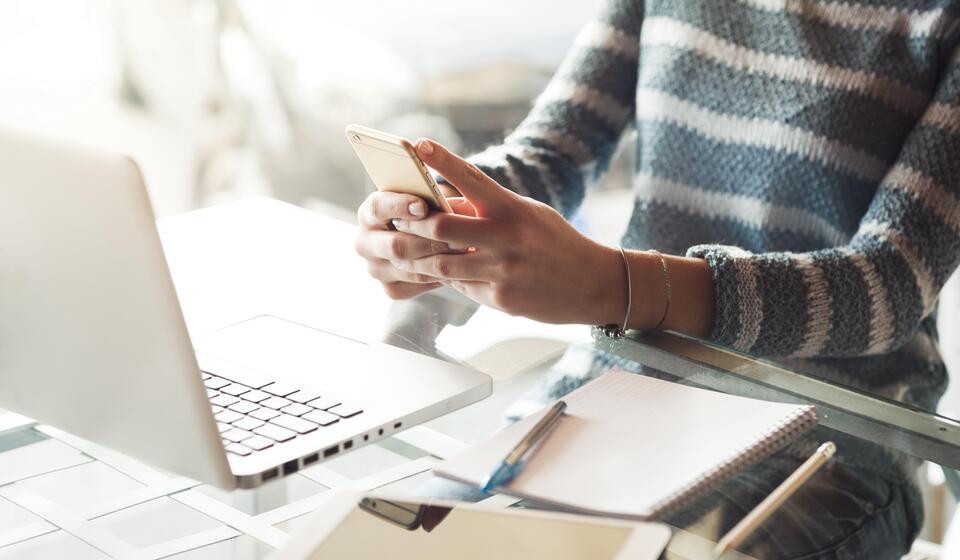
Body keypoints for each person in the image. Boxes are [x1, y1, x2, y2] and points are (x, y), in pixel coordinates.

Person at [354, 0, 960, 557]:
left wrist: (617, 286)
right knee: (404, 547)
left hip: (832, 434)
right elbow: (551, 155)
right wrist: (439, 212)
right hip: (621, 393)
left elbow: (888, 285)